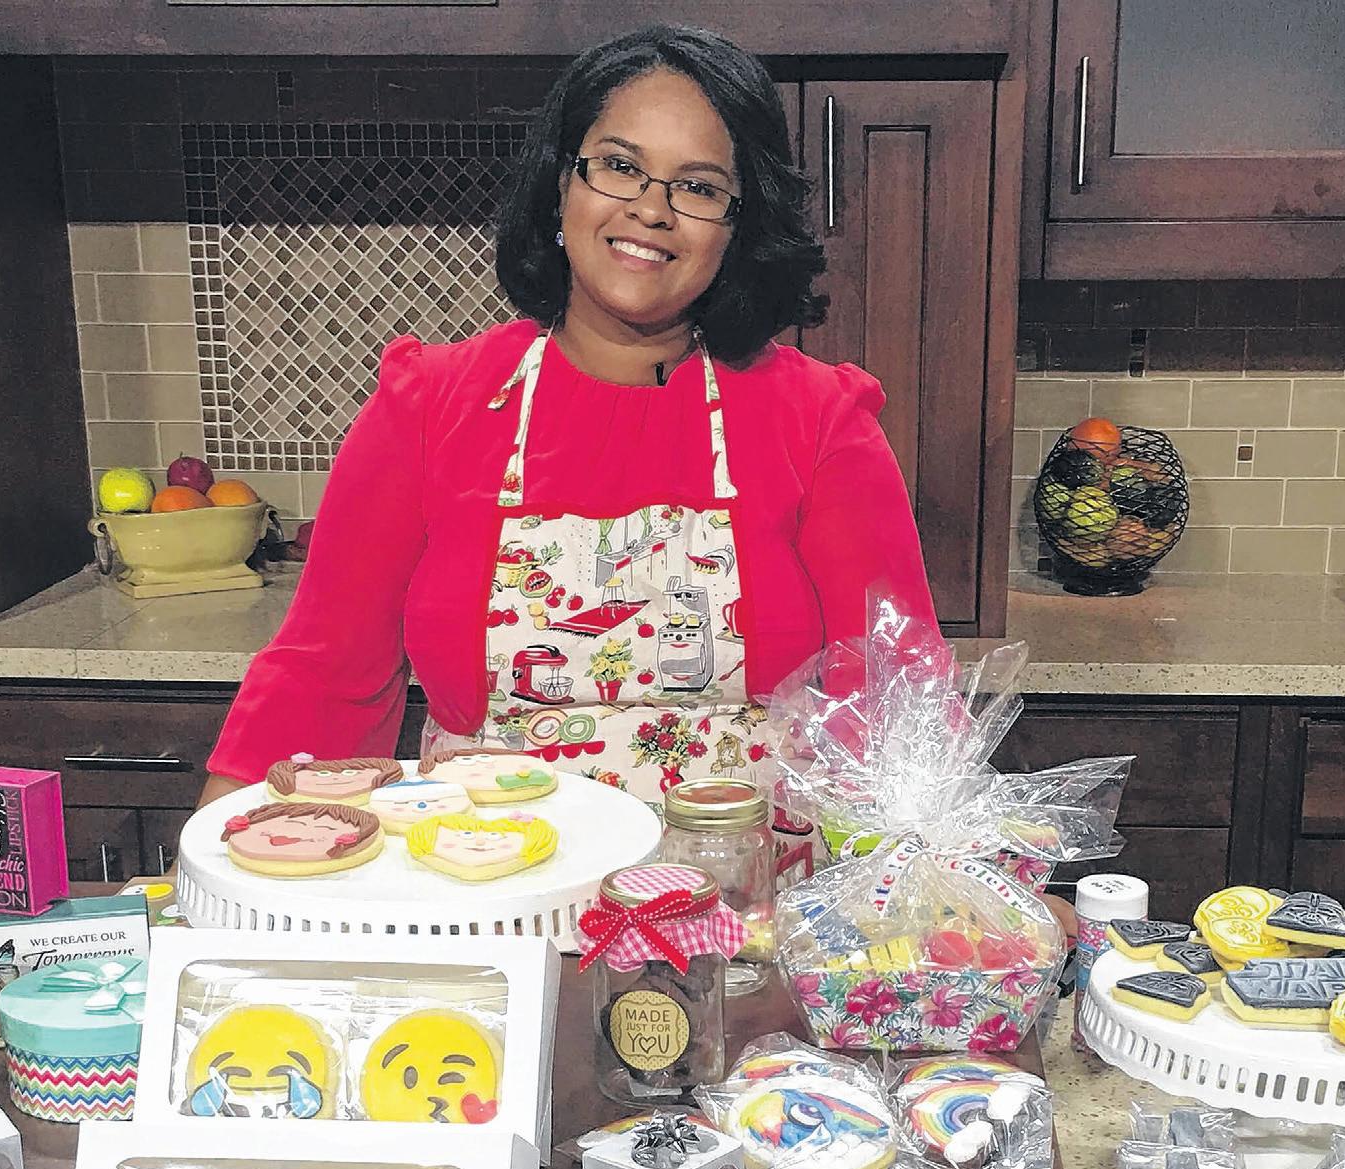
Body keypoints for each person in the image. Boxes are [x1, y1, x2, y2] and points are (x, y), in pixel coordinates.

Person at [201, 24, 936, 829]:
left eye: (697, 187)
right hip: (487, 882)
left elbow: (899, 704)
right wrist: (215, 867)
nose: (650, 210)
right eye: (619, 167)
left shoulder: (818, 421)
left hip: (745, 891)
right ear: (561, 185)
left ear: (738, 226)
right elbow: (323, 681)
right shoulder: (431, 408)